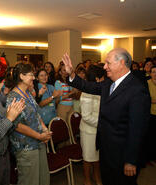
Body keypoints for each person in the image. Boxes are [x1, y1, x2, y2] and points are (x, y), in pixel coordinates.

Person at [62, 48, 150, 185]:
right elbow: (87, 86)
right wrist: (72, 73)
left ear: (121, 63)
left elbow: (137, 129)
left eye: (108, 63)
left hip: (122, 155)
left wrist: (131, 160)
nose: (104, 67)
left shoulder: (137, 90)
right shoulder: (109, 83)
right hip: (106, 150)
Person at [6, 63, 52, 185]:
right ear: (21, 76)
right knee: (29, 180)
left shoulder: (27, 93)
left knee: (43, 179)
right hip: (26, 147)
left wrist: (44, 129)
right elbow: (17, 125)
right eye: (31, 74)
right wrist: (39, 136)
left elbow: (36, 113)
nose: (34, 77)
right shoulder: (13, 97)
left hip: (39, 142)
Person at [79, 65, 105, 185]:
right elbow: (86, 116)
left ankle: (97, 178)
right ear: (97, 79)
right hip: (88, 131)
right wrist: (103, 123)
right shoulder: (87, 92)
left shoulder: (100, 89)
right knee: (88, 158)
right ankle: (87, 180)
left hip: (98, 131)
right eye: (102, 78)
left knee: (97, 159)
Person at [146, 65, 156, 162]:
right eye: (153, 72)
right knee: (151, 136)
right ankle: (150, 157)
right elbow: (148, 100)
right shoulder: (147, 83)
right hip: (150, 114)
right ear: (150, 73)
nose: (155, 74)